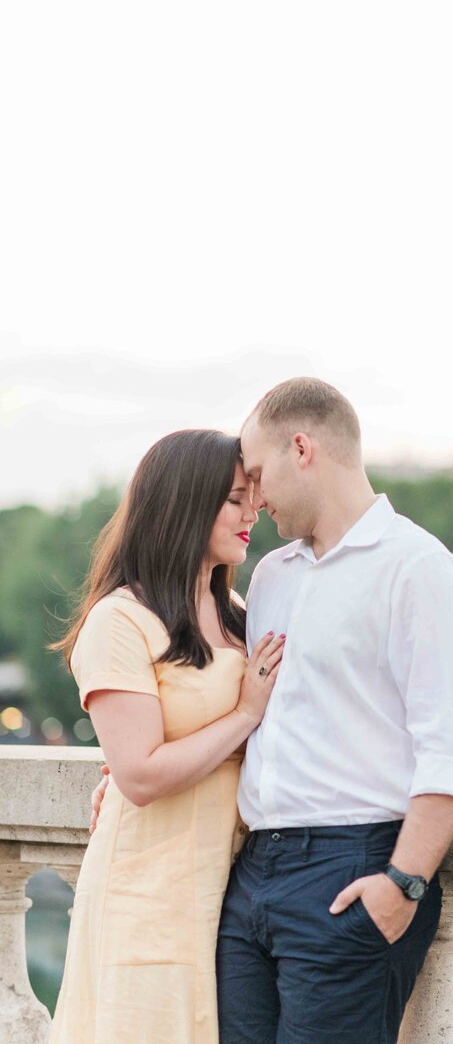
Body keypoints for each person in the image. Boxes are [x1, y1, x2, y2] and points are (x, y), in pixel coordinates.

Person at [216, 377, 453, 1044]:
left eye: (256, 475)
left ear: (302, 448)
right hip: (252, 876)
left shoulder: (419, 569)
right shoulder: (273, 577)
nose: (254, 499)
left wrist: (402, 883)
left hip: (352, 868)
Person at [47, 429, 284, 1044]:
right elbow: (143, 776)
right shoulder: (120, 620)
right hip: (150, 894)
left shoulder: (236, 611)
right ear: (186, 502)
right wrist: (242, 718)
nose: (252, 511)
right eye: (236, 498)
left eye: (253, 496)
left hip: (232, 892)